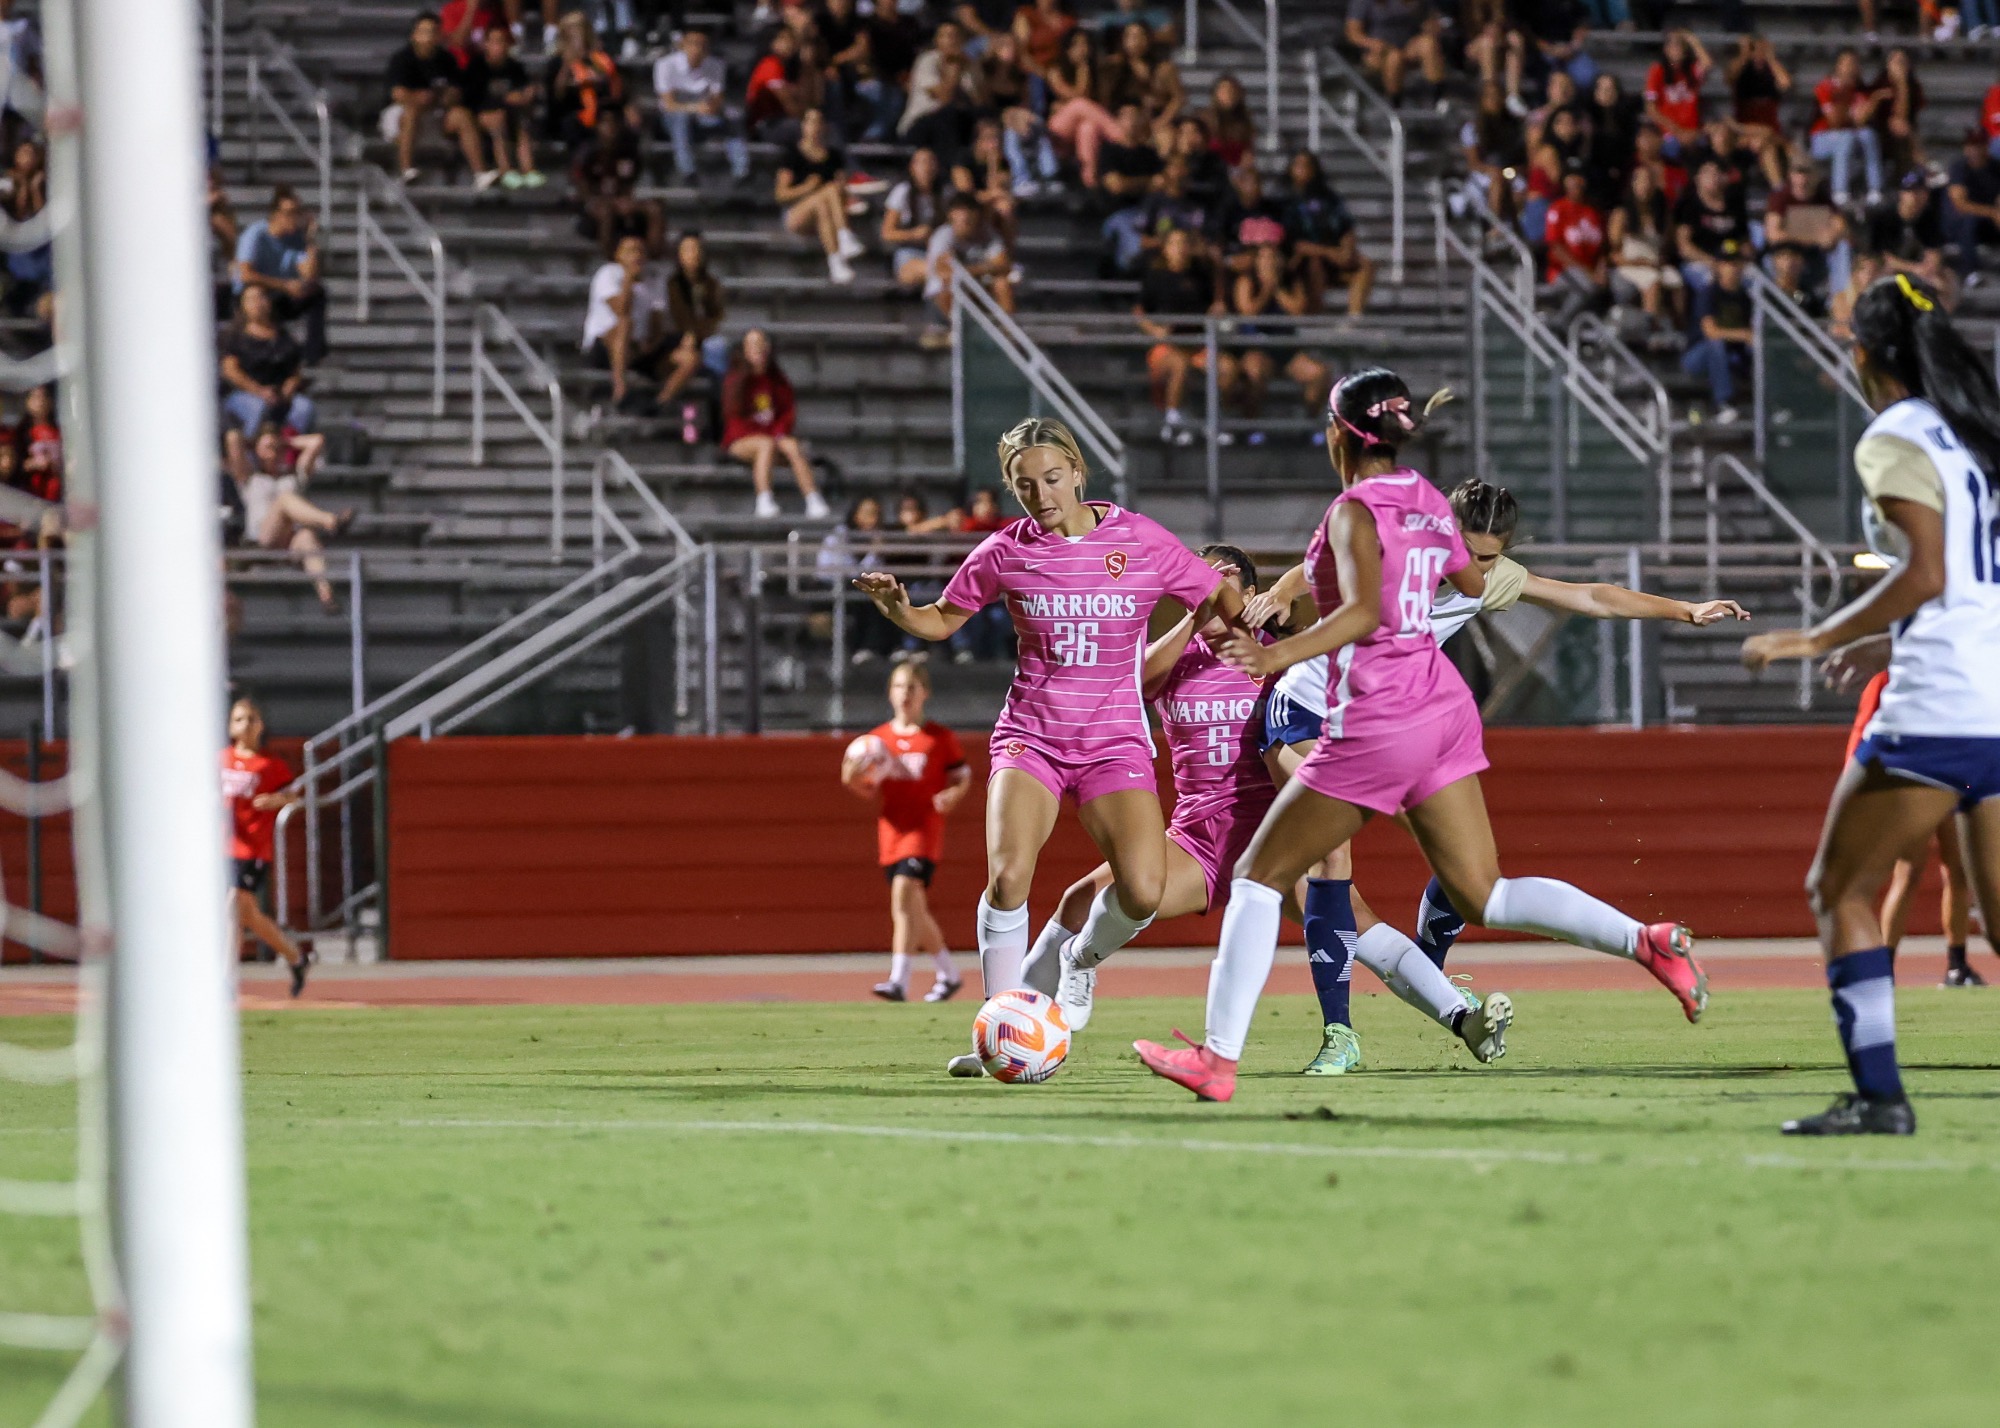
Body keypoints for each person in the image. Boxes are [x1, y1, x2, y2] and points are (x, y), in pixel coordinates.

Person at [1133, 371, 1709, 1103]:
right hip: (1443, 713)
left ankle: (1218, 1060)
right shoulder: (1432, 505)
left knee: (1258, 875)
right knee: (1484, 894)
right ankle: (1645, 940)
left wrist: (1277, 653)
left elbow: (1366, 612)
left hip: (1374, 716)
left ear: (1338, 435)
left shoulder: (1350, 514)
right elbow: (1471, 585)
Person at [1254, 476, 1746, 1073]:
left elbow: (1591, 596)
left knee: (1475, 885)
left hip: (1387, 725)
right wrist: (1278, 593)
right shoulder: (1391, 542)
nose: (1475, 570)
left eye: (1489, 557)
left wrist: (1684, 610)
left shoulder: (1488, 578)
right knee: (1331, 862)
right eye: (1468, 552)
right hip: (1308, 711)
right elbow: (1314, 563)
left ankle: (1641, 940)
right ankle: (1340, 1035)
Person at [852, 417, 1248, 1078]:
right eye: (1025, 484)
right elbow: (941, 620)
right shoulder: (1005, 550)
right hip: (1031, 737)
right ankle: (1001, 1029)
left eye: (1052, 478)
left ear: (1078, 471)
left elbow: (1218, 595)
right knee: (1009, 876)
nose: (1041, 494)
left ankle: (1076, 960)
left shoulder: (1142, 540)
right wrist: (901, 612)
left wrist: (1264, 632)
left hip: (1114, 740)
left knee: (1143, 890)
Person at [1741, 273, 2000, 1135]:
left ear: (1863, 352)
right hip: (1992, 693)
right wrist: (1874, 639)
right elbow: (1961, 580)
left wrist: (1815, 637)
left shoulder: (1894, 433)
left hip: (1939, 707)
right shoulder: (1971, 438)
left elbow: (1924, 570)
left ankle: (1881, 1097)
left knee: (1839, 886)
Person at [1019, 544, 1275, 1021]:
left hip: (1267, 834)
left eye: (1224, 587)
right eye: (1201, 585)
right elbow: (1134, 684)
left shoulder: (1276, 657)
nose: (1213, 596)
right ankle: (1016, 1019)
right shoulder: (1179, 654)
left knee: (1346, 918)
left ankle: (1449, 1009)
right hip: (1197, 838)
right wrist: (1194, 619)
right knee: (1080, 900)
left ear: (1252, 595)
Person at [1823, 635, 1988, 986]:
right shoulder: (1886, 681)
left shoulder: (1948, 680)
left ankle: (1957, 965)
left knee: (1957, 873)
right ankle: (1886, 964)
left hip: (1949, 782)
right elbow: (1863, 734)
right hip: (1908, 785)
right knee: (1908, 873)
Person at [843, 661, 971, 1003]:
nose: (905, 694)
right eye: (899, 687)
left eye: (912, 687)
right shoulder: (877, 741)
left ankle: (898, 980)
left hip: (924, 827)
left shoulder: (939, 738)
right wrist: (852, 777)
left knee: (903, 893)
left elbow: (962, 775)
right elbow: (864, 788)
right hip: (892, 828)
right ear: (890, 692)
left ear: (925, 693)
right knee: (914, 907)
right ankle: (949, 974)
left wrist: (953, 795)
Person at [222, 696, 311, 996]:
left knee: (233, 907)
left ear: (260, 725)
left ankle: (226, 979)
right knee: (249, 917)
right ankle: (295, 956)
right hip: (223, 846)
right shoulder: (219, 759)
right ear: (230, 726)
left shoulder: (269, 766)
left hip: (252, 849)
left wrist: (276, 800)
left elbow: (297, 794)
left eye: (251, 719)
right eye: (238, 719)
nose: (245, 725)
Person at [236, 424, 351, 613]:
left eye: (275, 448)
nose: (272, 452)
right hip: (262, 540)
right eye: (267, 448)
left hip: (289, 542)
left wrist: (284, 442)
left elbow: (317, 442)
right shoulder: (250, 478)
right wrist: (255, 443)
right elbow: (233, 439)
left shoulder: (293, 476)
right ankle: (330, 521)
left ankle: (326, 595)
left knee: (307, 536)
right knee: (284, 500)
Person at [721, 328, 830, 521]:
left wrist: (780, 433)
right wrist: (765, 435)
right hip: (742, 440)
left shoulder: (777, 379)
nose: (757, 350)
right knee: (765, 444)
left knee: (792, 446)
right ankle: (764, 499)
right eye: (752, 345)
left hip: (772, 436)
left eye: (761, 345)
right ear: (745, 350)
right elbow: (734, 417)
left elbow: (787, 412)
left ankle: (813, 498)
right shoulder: (735, 380)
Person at [1137, 227, 1228, 447]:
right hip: (1167, 346)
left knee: (1227, 368)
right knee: (1180, 364)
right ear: (1166, 249)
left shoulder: (1200, 275)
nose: (1180, 249)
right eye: (1175, 244)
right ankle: (1173, 421)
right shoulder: (1156, 277)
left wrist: (1216, 310)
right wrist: (1154, 330)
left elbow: (1212, 304)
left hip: (1197, 344)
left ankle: (1212, 421)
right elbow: (1139, 311)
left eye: (1184, 243)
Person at [1231, 244, 1330, 438]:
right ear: (1257, 261)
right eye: (1265, 258)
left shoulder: (1291, 283)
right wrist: (1266, 290)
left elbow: (1298, 311)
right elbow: (1249, 312)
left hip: (1286, 350)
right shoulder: (1246, 281)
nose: (1270, 262)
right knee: (1255, 372)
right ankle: (1250, 427)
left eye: (1274, 258)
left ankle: (1309, 424)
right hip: (1257, 348)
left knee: (1320, 373)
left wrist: (1276, 288)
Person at [385, 10, 484, 184]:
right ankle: (406, 169)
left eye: (433, 32)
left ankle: (480, 173)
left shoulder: (446, 60)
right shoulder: (402, 59)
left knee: (462, 115)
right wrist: (417, 97)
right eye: (424, 32)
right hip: (403, 113)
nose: (428, 37)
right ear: (414, 35)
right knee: (412, 112)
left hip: (436, 112)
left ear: (440, 35)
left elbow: (456, 90)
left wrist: (449, 96)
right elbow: (397, 94)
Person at [219, 287, 316, 462]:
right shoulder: (234, 337)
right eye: (252, 299)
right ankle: (251, 461)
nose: (258, 303)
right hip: (246, 394)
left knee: (303, 408)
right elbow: (230, 371)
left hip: (280, 394)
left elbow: (295, 370)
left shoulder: (283, 336)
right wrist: (258, 390)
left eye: (262, 298)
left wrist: (288, 388)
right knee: (257, 409)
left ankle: (290, 459)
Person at [233, 187, 327, 364]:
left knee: (317, 293)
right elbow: (245, 274)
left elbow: (308, 273)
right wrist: (284, 285)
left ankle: (313, 354)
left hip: (279, 296)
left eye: (298, 213)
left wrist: (311, 240)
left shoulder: (296, 239)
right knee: (257, 293)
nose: (295, 218)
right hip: (252, 296)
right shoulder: (256, 235)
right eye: (290, 213)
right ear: (276, 214)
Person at [776, 108, 864, 285]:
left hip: (825, 213)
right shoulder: (793, 154)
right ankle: (844, 235)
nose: (814, 127)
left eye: (818, 122)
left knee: (827, 197)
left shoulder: (833, 156)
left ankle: (836, 262)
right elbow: (780, 194)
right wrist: (806, 188)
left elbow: (840, 186)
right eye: (810, 121)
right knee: (827, 193)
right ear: (803, 126)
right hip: (797, 211)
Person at [582, 234, 669, 409]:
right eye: (630, 251)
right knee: (625, 324)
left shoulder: (654, 280)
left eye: (640, 251)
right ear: (618, 255)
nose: (636, 255)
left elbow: (657, 322)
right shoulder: (608, 274)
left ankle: (659, 403)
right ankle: (621, 388)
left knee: (688, 357)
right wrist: (629, 278)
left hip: (637, 347)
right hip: (604, 346)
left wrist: (651, 343)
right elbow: (622, 310)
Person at [654, 28, 750, 185]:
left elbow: (717, 99)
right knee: (681, 118)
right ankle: (688, 170)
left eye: (701, 45)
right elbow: (669, 104)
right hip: (671, 120)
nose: (696, 49)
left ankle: (741, 170)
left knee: (733, 115)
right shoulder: (665, 65)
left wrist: (709, 108)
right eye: (692, 43)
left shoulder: (716, 65)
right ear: (682, 45)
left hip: (703, 119)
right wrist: (696, 107)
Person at [571, 107, 662, 259]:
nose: (610, 128)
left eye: (614, 123)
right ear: (597, 126)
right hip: (593, 206)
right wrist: (601, 201)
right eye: (605, 123)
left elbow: (629, 183)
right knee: (606, 210)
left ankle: (653, 256)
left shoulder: (629, 152)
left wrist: (626, 200)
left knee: (655, 208)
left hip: (619, 201)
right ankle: (611, 258)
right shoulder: (587, 153)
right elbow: (582, 189)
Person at [923, 196, 1016, 338]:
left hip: (978, 287)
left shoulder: (988, 234)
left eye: (969, 213)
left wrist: (967, 270)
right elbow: (944, 272)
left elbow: (1004, 265)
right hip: (949, 293)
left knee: (1002, 283)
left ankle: (1008, 331)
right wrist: (984, 268)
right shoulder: (943, 236)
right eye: (960, 213)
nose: (965, 218)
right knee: (945, 287)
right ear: (951, 215)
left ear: (977, 215)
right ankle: (959, 329)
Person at [464, 23, 544, 189]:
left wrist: (527, 94)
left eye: (502, 41)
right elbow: (473, 99)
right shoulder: (476, 67)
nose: (498, 46)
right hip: (482, 115)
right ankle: (506, 170)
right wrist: (504, 100)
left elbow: (522, 90)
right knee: (497, 121)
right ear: (485, 44)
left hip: (511, 114)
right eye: (494, 41)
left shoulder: (515, 67)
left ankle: (528, 169)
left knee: (522, 123)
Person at [1682, 249, 1754, 423]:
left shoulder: (1745, 297)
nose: (1733, 268)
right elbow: (1711, 332)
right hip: (1697, 357)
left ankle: (1774, 404)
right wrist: (1744, 335)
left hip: (1731, 356)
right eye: (1727, 264)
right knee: (1716, 343)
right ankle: (1724, 402)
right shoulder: (1709, 293)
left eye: (1737, 263)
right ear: (1719, 267)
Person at [1809, 49, 1886, 207]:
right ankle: (1840, 192)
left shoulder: (1859, 92)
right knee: (1846, 136)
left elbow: (1860, 122)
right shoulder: (1825, 87)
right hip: (1821, 139)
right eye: (1847, 63)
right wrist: (1843, 95)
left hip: (1849, 137)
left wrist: (1875, 99)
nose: (1851, 67)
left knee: (1868, 134)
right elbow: (1834, 122)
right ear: (1838, 66)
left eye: (1855, 64)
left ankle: (1875, 189)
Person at [662, 233, 731, 407]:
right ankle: (665, 402)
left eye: (696, 249)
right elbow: (677, 316)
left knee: (718, 347)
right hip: (677, 339)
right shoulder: (672, 284)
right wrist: (688, 334)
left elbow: (715, 316)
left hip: (703, 339)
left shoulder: (711, 284)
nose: (693, 254)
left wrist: (696, 333)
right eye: (688, 249)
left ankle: (720, 408)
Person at [1345, 0, 1445, 110]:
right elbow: (1353, 33)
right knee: (1395, 57)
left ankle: (1437, 97)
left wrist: (1432, 26)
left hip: (1407, 46)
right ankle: (1395, 102)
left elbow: (1429, 20)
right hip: (1378, 51)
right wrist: (1371, 43)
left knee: (1428, 44)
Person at [884, 147, 946, 291]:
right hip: (910, 252)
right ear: (913, 168)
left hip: (938, 251)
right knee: (935, 271)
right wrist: (914, 234)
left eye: (931, 163)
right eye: (922, 163)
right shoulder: (902, 192)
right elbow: (887, 233)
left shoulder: (944, 193)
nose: (927, 168)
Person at [1944, 128, 2000, 289]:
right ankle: (1970, 271)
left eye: (1978, 145)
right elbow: (1960, 205)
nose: (1974, 150)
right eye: (1971, 145)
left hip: (1989, 222)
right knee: (1968, 221)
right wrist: (1993, 212)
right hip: (1959, 225)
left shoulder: (1996, 168)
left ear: (1986, 146)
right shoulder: (1959, 168)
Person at [1642, 30, 1710, 161]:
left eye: (1680, 45)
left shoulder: (1692, 70)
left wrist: (1692, 40)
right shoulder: (1657, 70)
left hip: (1694, 131)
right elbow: (1650, 109)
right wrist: (1678, 131)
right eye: (1673, 45)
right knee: (1672, 148)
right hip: (1670, 133)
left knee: (1706, 146)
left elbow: (1707, 63)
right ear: (1666, 49)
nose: (1677, 49)